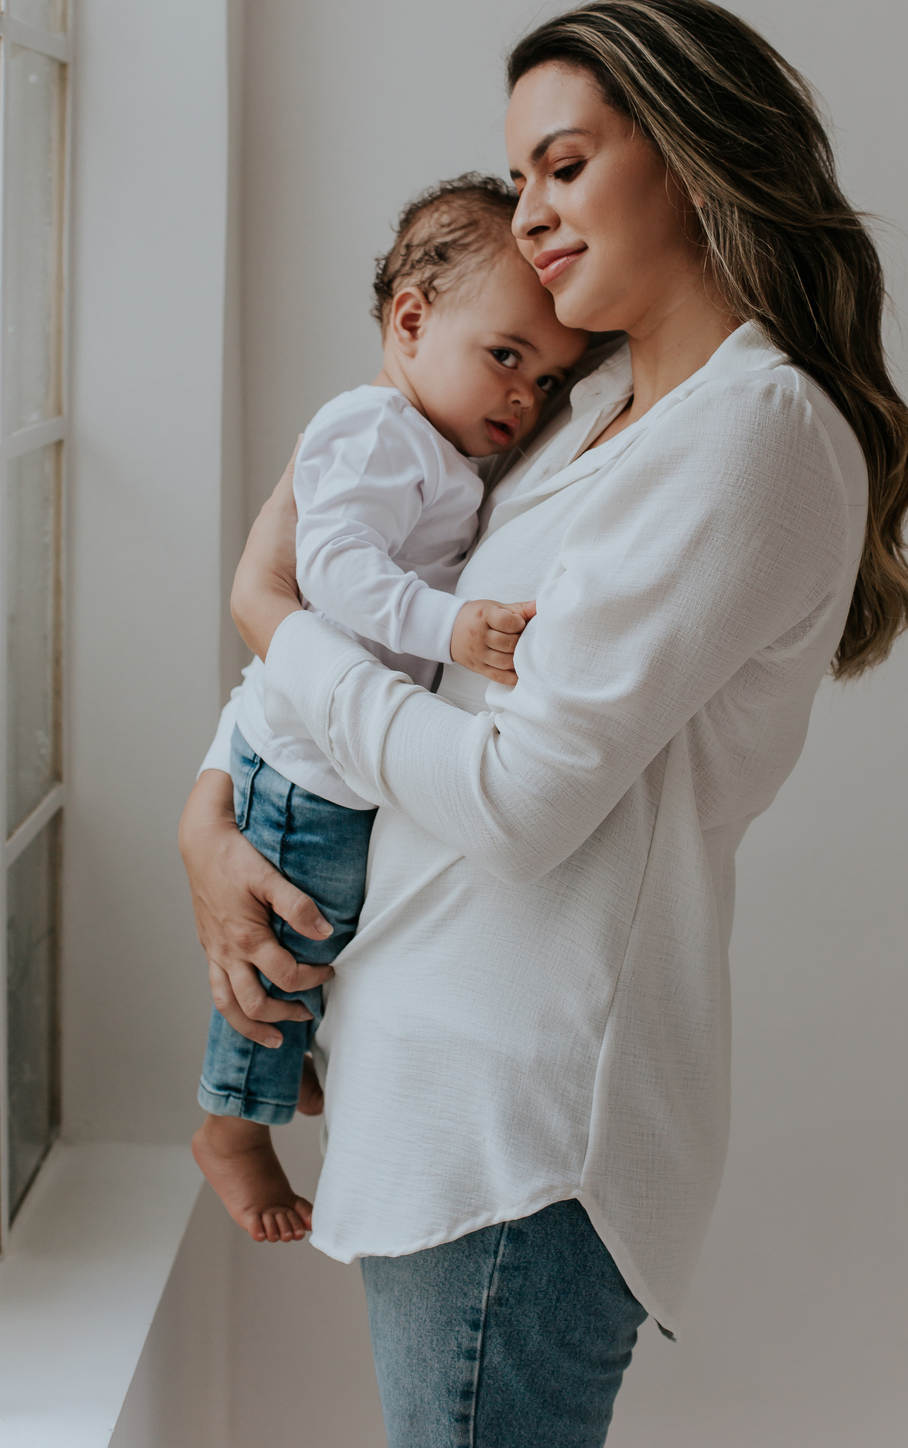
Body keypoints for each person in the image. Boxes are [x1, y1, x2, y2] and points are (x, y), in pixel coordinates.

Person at [180, 0, 908, 1448]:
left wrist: (271, 615)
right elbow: (386, 645)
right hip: (425, 1094)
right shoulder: (578, 420)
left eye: (566, 166)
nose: (529, 212)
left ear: (693, 160)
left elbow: (517, 802)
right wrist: (213, 808)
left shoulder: (752, 432)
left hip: (516, 1139)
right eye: (519, 175)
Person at [191, 174, 589, 1244]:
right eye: (506, 356)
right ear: (410, 321)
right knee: (285, 940)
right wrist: (450, 628)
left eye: (549, 379)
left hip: (333, 757)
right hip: (304, 766)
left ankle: (277, 1065)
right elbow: (332, 571)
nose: (525, 398)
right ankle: (231, 1123)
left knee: (319, 938)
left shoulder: (438, 447)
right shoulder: (375, 432)